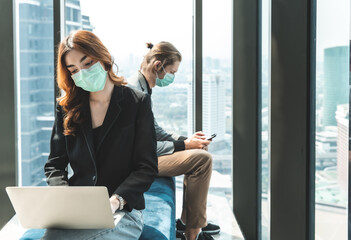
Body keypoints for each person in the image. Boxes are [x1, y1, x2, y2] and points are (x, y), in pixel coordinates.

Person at [42, 30, 158, 240]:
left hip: (123, 210)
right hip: (78, 210)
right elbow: (55, 165)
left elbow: (146, 167)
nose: (82, 72)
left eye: (87, 64)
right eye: (74, 69)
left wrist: (115, 201)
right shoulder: (67, 108)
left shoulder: (136, 102)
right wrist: (65, 196)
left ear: (103, 58)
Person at [127, 42, 220, 240]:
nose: (173, 77)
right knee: (202, 160)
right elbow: (141, 146)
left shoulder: (142, 86)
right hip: (136, 162)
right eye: (172, 71)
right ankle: (192, 232)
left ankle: (187, 223)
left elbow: (154, 130)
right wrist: (185, 145)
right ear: (158, 65)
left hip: (145, 155)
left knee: (200, 154)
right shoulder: (134, 92)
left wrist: (187, 140)